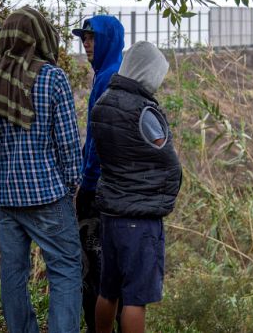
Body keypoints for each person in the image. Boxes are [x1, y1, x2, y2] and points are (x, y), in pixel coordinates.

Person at [0, 7, 82, 333]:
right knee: (65, 269)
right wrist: (71, 186)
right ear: (40, 37)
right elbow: (68, 142)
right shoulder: (52, 77)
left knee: (13, 273)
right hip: (48, 194)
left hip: (7, 197)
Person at [90, 41, 182, 333]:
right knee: (135, 299)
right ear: (146, 72)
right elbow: (163, 154)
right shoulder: (143, 111)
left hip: (111, 213)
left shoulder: (103, 102)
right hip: (139, 218)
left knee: (108, 291)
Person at [72, 15, 124, 332]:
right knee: (113, 268)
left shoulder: (107, 78)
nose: (86, 43)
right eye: (84, 38)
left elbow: (97, 142)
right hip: (118, 191)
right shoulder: (115, 73)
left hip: (99, 192)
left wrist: (86, 185)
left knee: (93, 267)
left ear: (108, 39)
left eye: (92, 37)